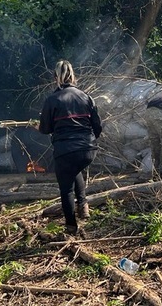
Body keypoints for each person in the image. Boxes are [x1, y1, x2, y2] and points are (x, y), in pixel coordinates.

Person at [38, 60, 102, 235]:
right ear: (74, 76)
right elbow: (98, 126)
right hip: (88, 150)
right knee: (74, 168)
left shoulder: (52, 100)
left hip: (65, 150)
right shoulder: (86, 96)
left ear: (55, 78)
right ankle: (83, 206)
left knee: (66, 188)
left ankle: (71, 227)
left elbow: (45, 129)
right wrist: (88, 142)